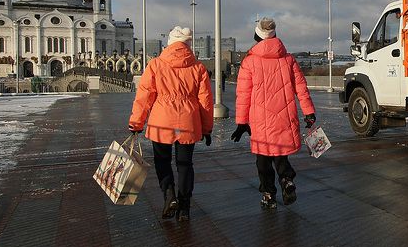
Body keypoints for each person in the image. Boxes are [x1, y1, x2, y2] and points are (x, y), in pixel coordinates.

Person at [128, 26, 213, 221]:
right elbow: (206, 102)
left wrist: (136, 123)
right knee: (185, 165)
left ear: (170, 43)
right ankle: (184, 207)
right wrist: (207, 128)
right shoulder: (198, 67)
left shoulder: (156, 65)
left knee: (162, 162)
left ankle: (169, 196)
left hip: (161, 122)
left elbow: (144, 97)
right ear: (187, 44)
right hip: (188, 122)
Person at [232, 17, 316, 209]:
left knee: (263, 161)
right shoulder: (289, 60)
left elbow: (243, 95)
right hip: (284, 118)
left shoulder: (249, 62)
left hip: (260, 121)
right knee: (281, 154)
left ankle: (268, 195)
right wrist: (309, 112)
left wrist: (241, 122)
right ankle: (287, 180)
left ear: (256, 36)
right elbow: (301, 88)